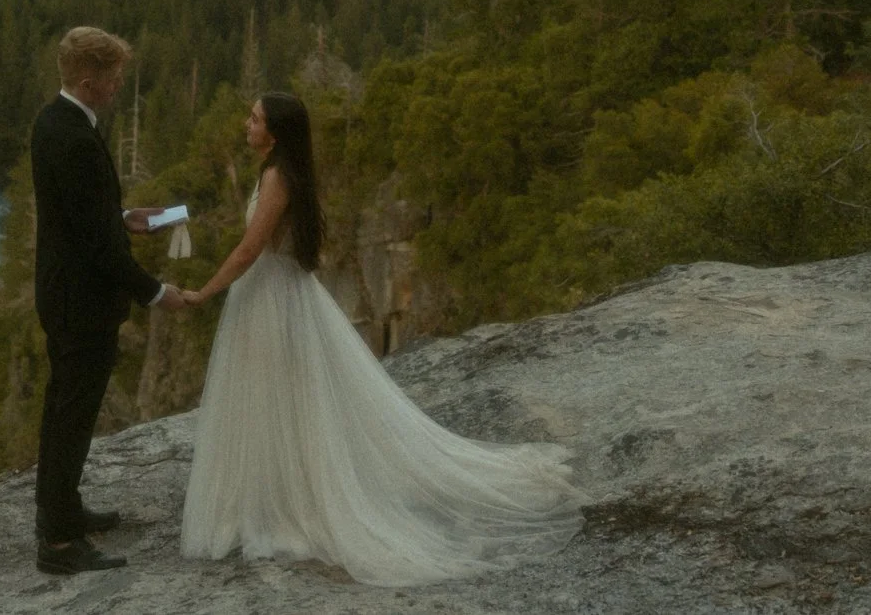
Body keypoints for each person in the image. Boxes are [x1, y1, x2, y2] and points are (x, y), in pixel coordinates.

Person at [177, 91, 585, 585]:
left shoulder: (278, 176)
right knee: (274, 398)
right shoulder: (278, 171)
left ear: (275, 132)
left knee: (281, 398)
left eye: (255, 118)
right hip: (272, 295)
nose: (246, 124)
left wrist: (204, 292)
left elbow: (248, 250)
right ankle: (276, 493)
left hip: (270, 298)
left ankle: (291, 501)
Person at [30, 26, 190, 576]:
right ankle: (56, 545)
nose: (120, 84)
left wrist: (123, 217)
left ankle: (62, 510)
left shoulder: (54, 121)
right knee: (72, 415)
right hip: (81, 300)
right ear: (87, 80)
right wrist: (154, 291)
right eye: (114, 76)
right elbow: (96, 248)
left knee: (63, 408)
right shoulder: (75, 137)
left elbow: (78, 218)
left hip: (62, 291)